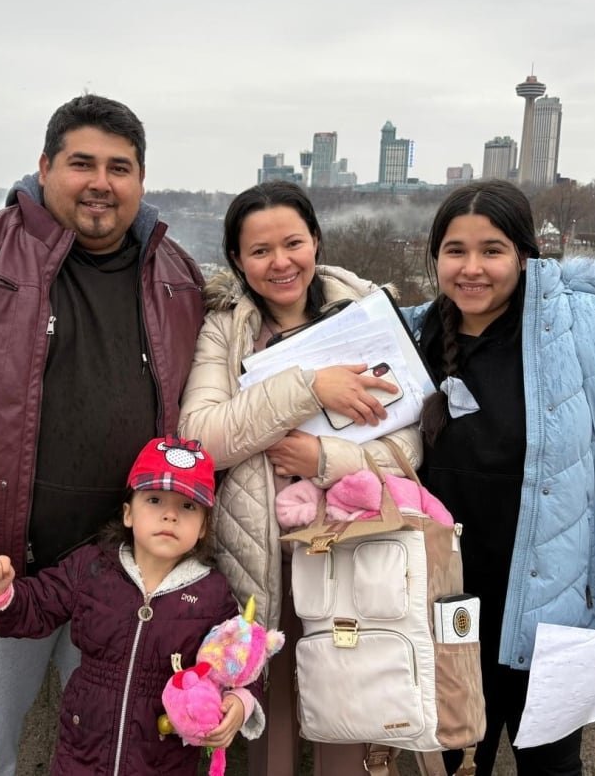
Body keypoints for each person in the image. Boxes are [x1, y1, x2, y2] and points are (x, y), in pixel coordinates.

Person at [0, 94, 205, 776]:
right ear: (44, 165)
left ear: (141, 181)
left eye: (119, 167)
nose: (100, 182)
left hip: (127, 578)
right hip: (1, 569)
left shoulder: (176, 279)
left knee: (118, 758)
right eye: (81, 162)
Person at [411, 179, 595, 776]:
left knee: (553, 768)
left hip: (554, 613)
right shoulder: (415, 335)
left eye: (493, 250)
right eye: (455, 250)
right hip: (444, 613)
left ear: (525, 254)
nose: (472, 268)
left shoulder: (587, 329)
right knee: (444, 766)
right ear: (435, 258)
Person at [178, 180, 422, 775]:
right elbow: (201, 438)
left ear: (316, 240)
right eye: (260, 251)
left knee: (349, 718)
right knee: (269, 732)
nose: (280, 262)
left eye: (293, 243)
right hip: (260, 557)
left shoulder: (369, 310)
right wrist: (310, 386)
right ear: (237, 260)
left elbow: (409, 447)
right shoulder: (224, 327)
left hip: (353, 552)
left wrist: (323, 459)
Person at [0, 436, 264, 775]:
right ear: (128, 513)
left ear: (203, 528)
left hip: (163, 760)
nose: (169, 515)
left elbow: (241, 662)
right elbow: (37, 605)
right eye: (154, 500)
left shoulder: (212, 593)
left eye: (187, 506)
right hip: (81, 757)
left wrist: (239, 704)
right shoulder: (92, 568)